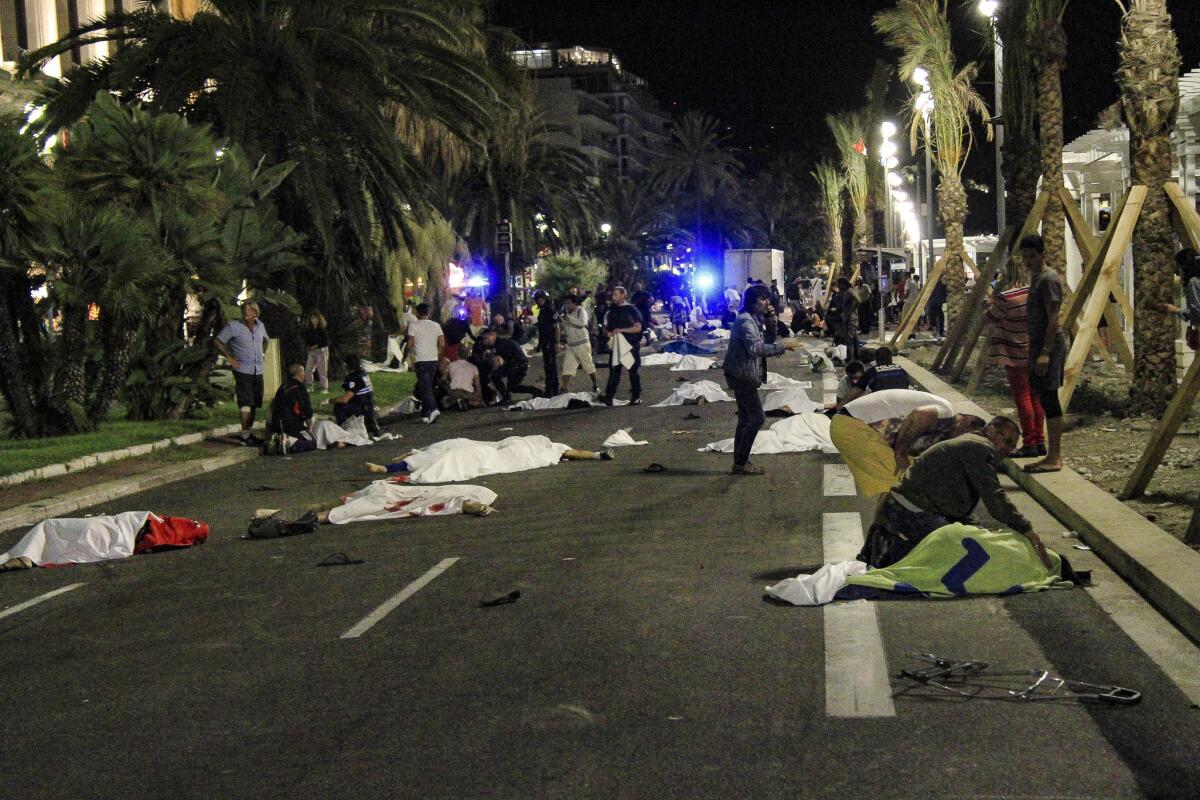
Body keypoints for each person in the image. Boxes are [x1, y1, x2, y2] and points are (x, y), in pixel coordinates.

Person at [858, 416, 1052, 570]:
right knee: (961, 557)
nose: (1008, 450)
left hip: (907, 507)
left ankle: (891, 548)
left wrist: (978, 531)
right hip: (908, 511)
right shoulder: (978, 447)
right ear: (991, 430)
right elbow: (994, 497)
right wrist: (1026, 529)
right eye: (1007, 441)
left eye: (1012, 446)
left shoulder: (971, 444)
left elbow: (959, 504)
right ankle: (890, 551)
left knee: (976, 543)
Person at [724, 284, 798, 475]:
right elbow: (756, 349)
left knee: (745, 418)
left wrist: (772, 320)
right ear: (751, 301)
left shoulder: (754, 320)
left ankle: (739, 462)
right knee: (757, 418)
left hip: (743, 373)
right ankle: (741, 462)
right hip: (742, 375)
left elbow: (767, 340)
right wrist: (784, 346)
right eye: (762, 299)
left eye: (767, 299)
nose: (767, 302)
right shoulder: (745, 322)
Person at [1020, 235, 1066, 474]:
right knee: (1043, 396)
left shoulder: (1048, 279)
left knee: (1049, 397)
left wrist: (1045, 353)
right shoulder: (1037, 278)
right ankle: (1051, 454)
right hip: (1039, 345)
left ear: (1041, 254)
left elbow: (1054, 317)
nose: (1028, 261)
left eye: (1032, 256)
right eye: (1025, 256)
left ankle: (1055, 456)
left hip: (1049, 346)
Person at [985, 284, 1045, 457]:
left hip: (1014, 352)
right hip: (1034, 349)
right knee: (1035, 397)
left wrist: (987, 304)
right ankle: (1040, 440)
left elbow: (989, 317)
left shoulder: (1006, 297)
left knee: (1023, 397)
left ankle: (1029, 443)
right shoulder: (1034, 291)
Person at [214, 300, 269, 445]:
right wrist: (229, 357)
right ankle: (245, 434)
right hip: (242, 369)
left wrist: (263, 354)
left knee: (255, 402)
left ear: (255, 312)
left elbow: (265, 340)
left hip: (257, 370)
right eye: (244, 309)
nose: (246, 312)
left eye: (250, 309)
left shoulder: (260, 326)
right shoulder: (234, 326)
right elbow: (218, 341)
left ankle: (249, 432)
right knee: (245, 402)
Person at [601, 286, 644, 406]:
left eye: (616, 295)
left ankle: (636, 396)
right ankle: (609, 397)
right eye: (613, 295)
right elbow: (605, 327)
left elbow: (638, 328)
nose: (613, 297)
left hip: (630, 345)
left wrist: (622, 330)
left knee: (632, 371)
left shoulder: (631, 310)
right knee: (614, 370)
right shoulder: (611, 311)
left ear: (623, 295)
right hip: (616, 345)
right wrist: (608, 333)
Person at [473, 327, 536, 404]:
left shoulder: (499, 344)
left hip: (517, 365)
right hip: (518, 364)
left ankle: (506, 398)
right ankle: (535, 391)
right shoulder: (499, 342)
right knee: (513, 388)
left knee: (495, 376)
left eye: (486, 338)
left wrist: (490, 373)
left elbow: (496, 363)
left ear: (493, 335)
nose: (485, 341)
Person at [406, 303, 445, 424]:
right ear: (428, 312)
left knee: (425, 387)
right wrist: (437, 354)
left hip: (421, 359)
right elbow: (442, 344)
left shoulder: (413, 326)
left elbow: (410, 345)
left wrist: (409, 358)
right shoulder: (436, 325)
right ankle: (425, 413)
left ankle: (433, 409)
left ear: (417, 313)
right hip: (432, 359)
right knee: (427, 386)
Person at [267, 363, 317, 453]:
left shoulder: (282, 387)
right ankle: (289, 443)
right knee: (312, 442)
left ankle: (275, 440)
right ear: (300, 373)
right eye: (304, 372)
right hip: (292, 426)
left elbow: (273, 406)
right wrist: (310, 430)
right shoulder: (300, 388)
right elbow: (307, 412)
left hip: (276, 425)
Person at [331, 355, 382, 437]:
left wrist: (329, 401)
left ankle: (345, 431)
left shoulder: (354, 377)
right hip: (371, 406)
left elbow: (345, 399)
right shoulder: (363, 373)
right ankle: (370, 425)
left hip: (363, 407)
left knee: (338, 406)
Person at [842, 346, 912, 403]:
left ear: (876, 359)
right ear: (891, 358)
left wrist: (839, 409)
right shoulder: (902, 371)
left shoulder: (872, 372)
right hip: (902, 403)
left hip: (882, 405)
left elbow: (851, 395)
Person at [560, 294, 599, 393]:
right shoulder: (566, 314)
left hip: (582, 344)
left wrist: (568, 318)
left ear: (574, 303)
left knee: (588, 366)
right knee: (567, 367)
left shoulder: (580, 311)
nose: (567, 305)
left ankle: (595, 385)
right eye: (565, 304)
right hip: (571, 345)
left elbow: (582, 323)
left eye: (569, 303)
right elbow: (565, 328)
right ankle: (564, 388)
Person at [1163, 248, 1200, 324]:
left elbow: (1197, 313)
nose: (1177, 273)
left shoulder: (1193, 282)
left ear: (1184, 266)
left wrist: (1176, 309)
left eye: (1178, 267)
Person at [533, 292, 560, 396]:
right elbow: (541, 330)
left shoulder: (550, 311)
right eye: (538, 300)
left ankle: (552, 390)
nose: (539, 302)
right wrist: (539, 345)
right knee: (548, 367)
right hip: (545, 342)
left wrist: (557, 342)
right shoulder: (542, 311)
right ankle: (552, 390)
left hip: (550, 342)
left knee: (551, 366)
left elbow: (556, 327)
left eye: (541, 299)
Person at [302, 311, 330, 392]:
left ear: (319, 319)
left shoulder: (322, 329)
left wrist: (316, 346)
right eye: (312, 318)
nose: (314, 320)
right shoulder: (309, 330)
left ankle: (324, 387)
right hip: (311, 351)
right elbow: (306, 340)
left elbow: (326, 342)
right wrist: (309, 346)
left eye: (316, 318)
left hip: (321, 351)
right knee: (308, 369)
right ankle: (309, 385)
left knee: (322, 369)